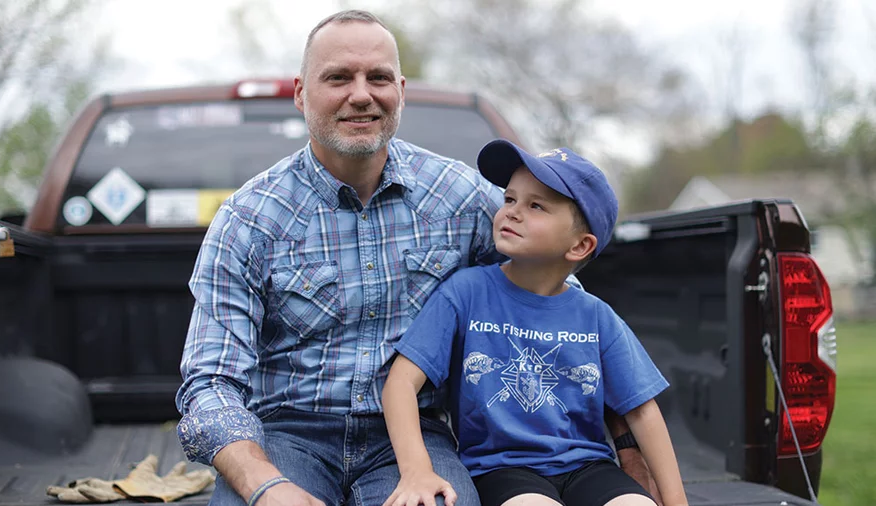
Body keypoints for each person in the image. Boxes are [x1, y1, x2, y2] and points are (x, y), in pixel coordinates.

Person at [175, 9, 656, 506]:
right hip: (286, 435)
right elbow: (210, 383)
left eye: (378, 77)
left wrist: (626, 449)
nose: (361, 94)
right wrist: (265, 484)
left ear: (401, 91)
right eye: (338, 77)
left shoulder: (460, 197)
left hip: (416, 437)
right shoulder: (250, 219)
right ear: (301, 93)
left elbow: (561, 309)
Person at [382, 140, 688, 506]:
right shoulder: (465, 292)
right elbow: (400, 382)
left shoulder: (596, 316)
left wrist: (676, 501)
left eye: (535, 206)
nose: (511, 212)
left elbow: (642, 410)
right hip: (501, 469)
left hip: (589, 466)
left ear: (579, 246)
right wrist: (417, 469)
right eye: (510, 199)